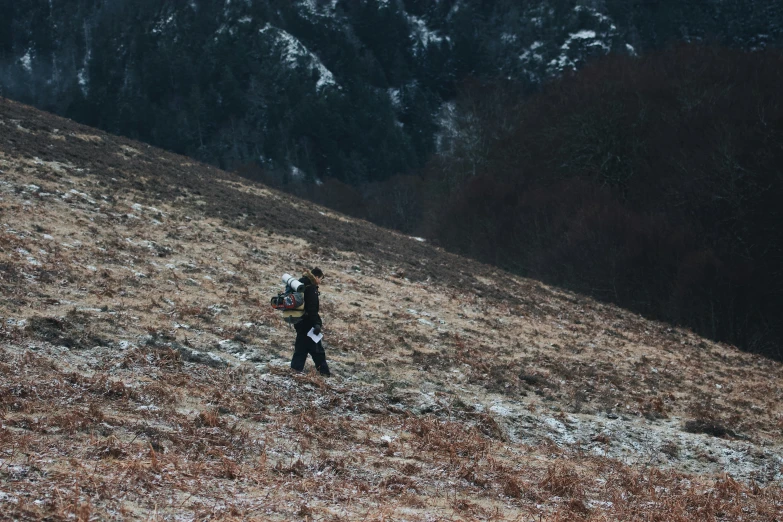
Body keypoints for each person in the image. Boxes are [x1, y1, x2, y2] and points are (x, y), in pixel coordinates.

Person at [290, 267, 331, 376]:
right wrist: (317, 324)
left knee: (300, 349)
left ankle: (295, 371)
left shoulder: (300, 284)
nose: (320, 282)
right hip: (309, 325)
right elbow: (312, 308)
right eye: (320, 279)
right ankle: (325, 374)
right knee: (318, 351)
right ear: (316, 276)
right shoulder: (311, 288)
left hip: (299, 322)